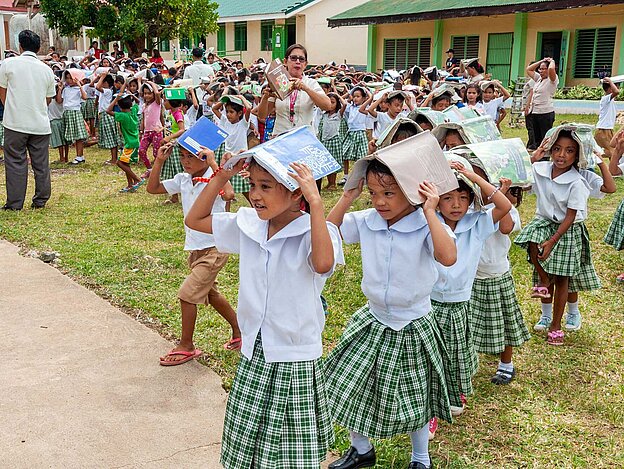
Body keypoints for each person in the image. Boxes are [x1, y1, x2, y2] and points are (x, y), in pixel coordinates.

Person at [185, 154, 344, 469]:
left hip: (294, 356)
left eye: (266, 187)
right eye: (252, 185)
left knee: (291, 449)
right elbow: (195, 220)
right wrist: (221, 175)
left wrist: (316, 201)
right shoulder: (249, 225)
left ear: (296, 192)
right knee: (249, 443)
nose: (255, 195)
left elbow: (323, 263)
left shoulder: (317, 232)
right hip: (255, 350)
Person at [324, 138, 458, 468]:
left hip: (412, 322)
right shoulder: (368, 219)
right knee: (353, 385)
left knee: (414, 398)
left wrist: (430, 212)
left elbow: (448, 256)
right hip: (373, 318)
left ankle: (420, 457)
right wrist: (347, 196)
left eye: (389, 193)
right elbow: (328, 230)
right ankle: (361, 448)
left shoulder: (425, 225)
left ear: (411, 191)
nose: (380, 201)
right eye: (373, 193)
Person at [430, 160, 511, 421]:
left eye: (463, 198)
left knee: (458, 352)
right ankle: (431, 407)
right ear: (437, 201)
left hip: (459, 301)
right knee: (431, 357)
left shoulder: (476, 224)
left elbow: (504, 206)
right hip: (428, 302)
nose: (456, 205)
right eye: (448, 198)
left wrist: (473, 178)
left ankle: (456, 392)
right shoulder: (430, 223)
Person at [147, 143, 241, 364]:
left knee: (187, 294)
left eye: (192, 156)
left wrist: (212, 163)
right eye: (182, 156)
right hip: (196, 248)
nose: (186, 161)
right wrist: (159, 160)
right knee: (210, 294)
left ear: (206, 156)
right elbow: (152, 189)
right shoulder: (183, 178)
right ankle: (240, 331)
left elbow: (229, 194)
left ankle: (186, 345)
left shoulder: (214, 176)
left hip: (215, 247)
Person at [514, 130, 600, 346]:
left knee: (562, 279)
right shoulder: (540, 169)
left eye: (569, 150)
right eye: (557, 149)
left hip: (566, 228)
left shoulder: (577, 182)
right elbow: (520, 180)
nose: (562, 155)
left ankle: (556, 325)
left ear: (577, 155)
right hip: (544, 221)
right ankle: (543, 280)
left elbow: (570, 217)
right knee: (531, 237)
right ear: (550, 150)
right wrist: (535, 155)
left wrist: (552, 242)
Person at [470, 179, 530, 385]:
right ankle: (469, 362)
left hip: (496, 273)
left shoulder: (505, 207)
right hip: (468, 276)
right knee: (469, 323)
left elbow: (505, 228)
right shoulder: (464, 206)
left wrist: (499, 198)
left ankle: (506, 364)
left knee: (503, 323)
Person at [0, 29, 56, 210]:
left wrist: (13, 108)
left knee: (15, 162)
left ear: (20, 45)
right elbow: (48, 99)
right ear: (38, 48)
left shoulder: (8, 64)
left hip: (15, 122)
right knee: (41, 165)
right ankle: (40, 200)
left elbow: (3, 94)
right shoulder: (47, 70)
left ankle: (15, 203)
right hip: (40, 124)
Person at [257, 44, 331, 136]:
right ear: (285, 61)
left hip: (304, 138)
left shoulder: (311, 83)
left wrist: (306, 89)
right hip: (281, 138)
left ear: (305, 64)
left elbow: (327, 106)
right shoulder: (277, 82)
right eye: (293, 58)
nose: (297, 61)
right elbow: (262, 116)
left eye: (301, 59)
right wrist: (265, 97)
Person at [213, 94, 251, 202]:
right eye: (227, 111)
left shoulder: (243, 124)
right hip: (228, 158)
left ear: (239, 113)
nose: (228, 114)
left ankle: (253, 207)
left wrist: (240, 97)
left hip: (240, 158)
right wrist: (225, 98)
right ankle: (227, 211)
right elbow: (214, 108)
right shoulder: (225, 122)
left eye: (231, 112)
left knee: (245, 189)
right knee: (226, 186)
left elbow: (248, 108)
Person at [106, 83, 143, 192]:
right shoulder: (133, 111)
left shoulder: (122, 116)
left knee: (120, 163)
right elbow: (138, 102)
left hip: (130, 143)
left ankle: (137, 179)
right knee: (125, 163)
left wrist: (116, 99)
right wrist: (132, 95)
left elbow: (108, 111)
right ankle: (130, 184)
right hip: (133, 141)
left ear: (120, 106)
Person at [339, 86, 370, 186]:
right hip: (351, 132)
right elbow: (341, 100)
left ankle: (362, 177)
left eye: (358, 96)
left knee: (361, 156)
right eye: (354, 96)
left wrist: (367, 91)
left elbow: (370, 98)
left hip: (360, 132)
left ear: (364, 98)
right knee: (345, 154)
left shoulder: (366, 108)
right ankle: (346, 176)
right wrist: (349, 93)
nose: (355, 98)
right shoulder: (350, 107)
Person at [525, 57, 558, 150]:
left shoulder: (552, 80)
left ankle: (545, 156)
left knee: (545, 137)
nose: (541, 71)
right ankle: (538, 155)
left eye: (544, 69)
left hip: (545, 112)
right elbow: (529, 69)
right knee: (537, 138)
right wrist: (542, 61)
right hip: (535, 111)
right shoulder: (539, 79)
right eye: (540, 69)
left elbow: (551, 69)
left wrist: (551, 61)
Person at [57, 69, 88, 164]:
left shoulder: (78, 89)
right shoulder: (66, 89)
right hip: (67, 112)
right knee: (74, 136)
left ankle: (79, 156)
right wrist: (60, 89)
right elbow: (59, 100)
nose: (68, 80)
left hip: (75, 111)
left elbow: (85, 97)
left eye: (70, 78)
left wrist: (79, 85)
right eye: (67, 78)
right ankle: (79, 156)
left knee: (78, 136)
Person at [318, 92, 346, 190]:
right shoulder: (324, 114)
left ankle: (333, 183)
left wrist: (337, 95)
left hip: (334, 140)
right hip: (325, 140)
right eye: (328, 102)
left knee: (333, 163)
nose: (330, 104)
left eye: (333, 102)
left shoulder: (338, 114)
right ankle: (329, 183)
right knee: (327, 162)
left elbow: (345, 104)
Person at [138, 81, 163, 176]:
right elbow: (144, 119)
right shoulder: (145, 105)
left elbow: (157, 93)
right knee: (141, 151)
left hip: (156, 131)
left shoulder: (157, 103)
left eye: (149, 93)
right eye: (145, 93)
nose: (146, 96)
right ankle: (149, 169)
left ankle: (158, 172)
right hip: (147, 132)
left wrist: (152, 83)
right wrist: (141, 131)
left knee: (156, 154)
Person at [95, 73, 119, 165]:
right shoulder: (105, 91)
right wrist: (99, 77)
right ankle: (113, 158)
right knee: (110, 138)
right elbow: (95, 85)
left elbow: (97, 86)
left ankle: (114, 159)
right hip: (104, 115)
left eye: (103, 82)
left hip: (107, 115)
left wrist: (102, 77)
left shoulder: (108, 91)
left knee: (111, 138)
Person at [594, 77, 619, 159]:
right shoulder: (605, 99)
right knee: (612, 152)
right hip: (604, 129)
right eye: (614, 86)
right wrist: (610, 81)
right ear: (610, 89)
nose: (617, 88)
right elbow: (617, 92)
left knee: (611, 151)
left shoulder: (610, 100)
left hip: (607, 129)